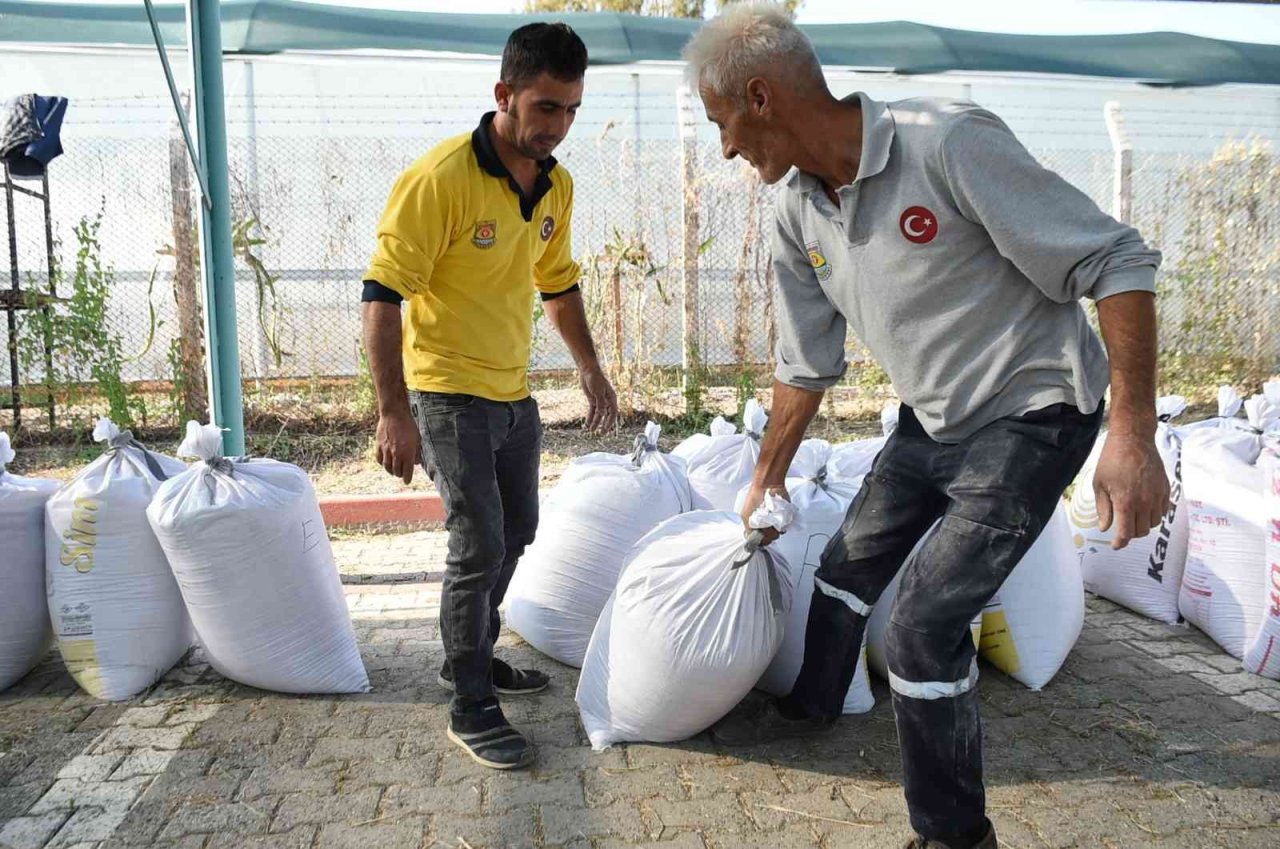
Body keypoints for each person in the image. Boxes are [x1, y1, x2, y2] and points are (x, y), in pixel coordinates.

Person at [682, 5, 1168, 847]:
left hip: (1034, 411)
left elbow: (1115, 260)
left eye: (724, 123)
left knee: (921, 627)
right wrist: (765, 477)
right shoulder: (796, 211)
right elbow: (805, 363)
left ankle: (952, 835)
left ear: (760, 97)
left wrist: (1132, 433)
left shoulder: (945, 143)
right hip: (933, 418)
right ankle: (814, 705)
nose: (726, 147)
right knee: (843, 567)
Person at [361, 22, 618, 771]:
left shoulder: (556, 184)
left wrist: (590, 367)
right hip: (445, 395)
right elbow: (382, 297)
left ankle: (466, 650)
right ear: (504, 94)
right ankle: (470, 699)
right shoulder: (440, 178)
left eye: (570, 109)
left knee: (520, 530)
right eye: (545, 107)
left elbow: (557, 282)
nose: (557, 126)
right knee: (477, 543)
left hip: (513, 396)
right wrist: (393, 410)